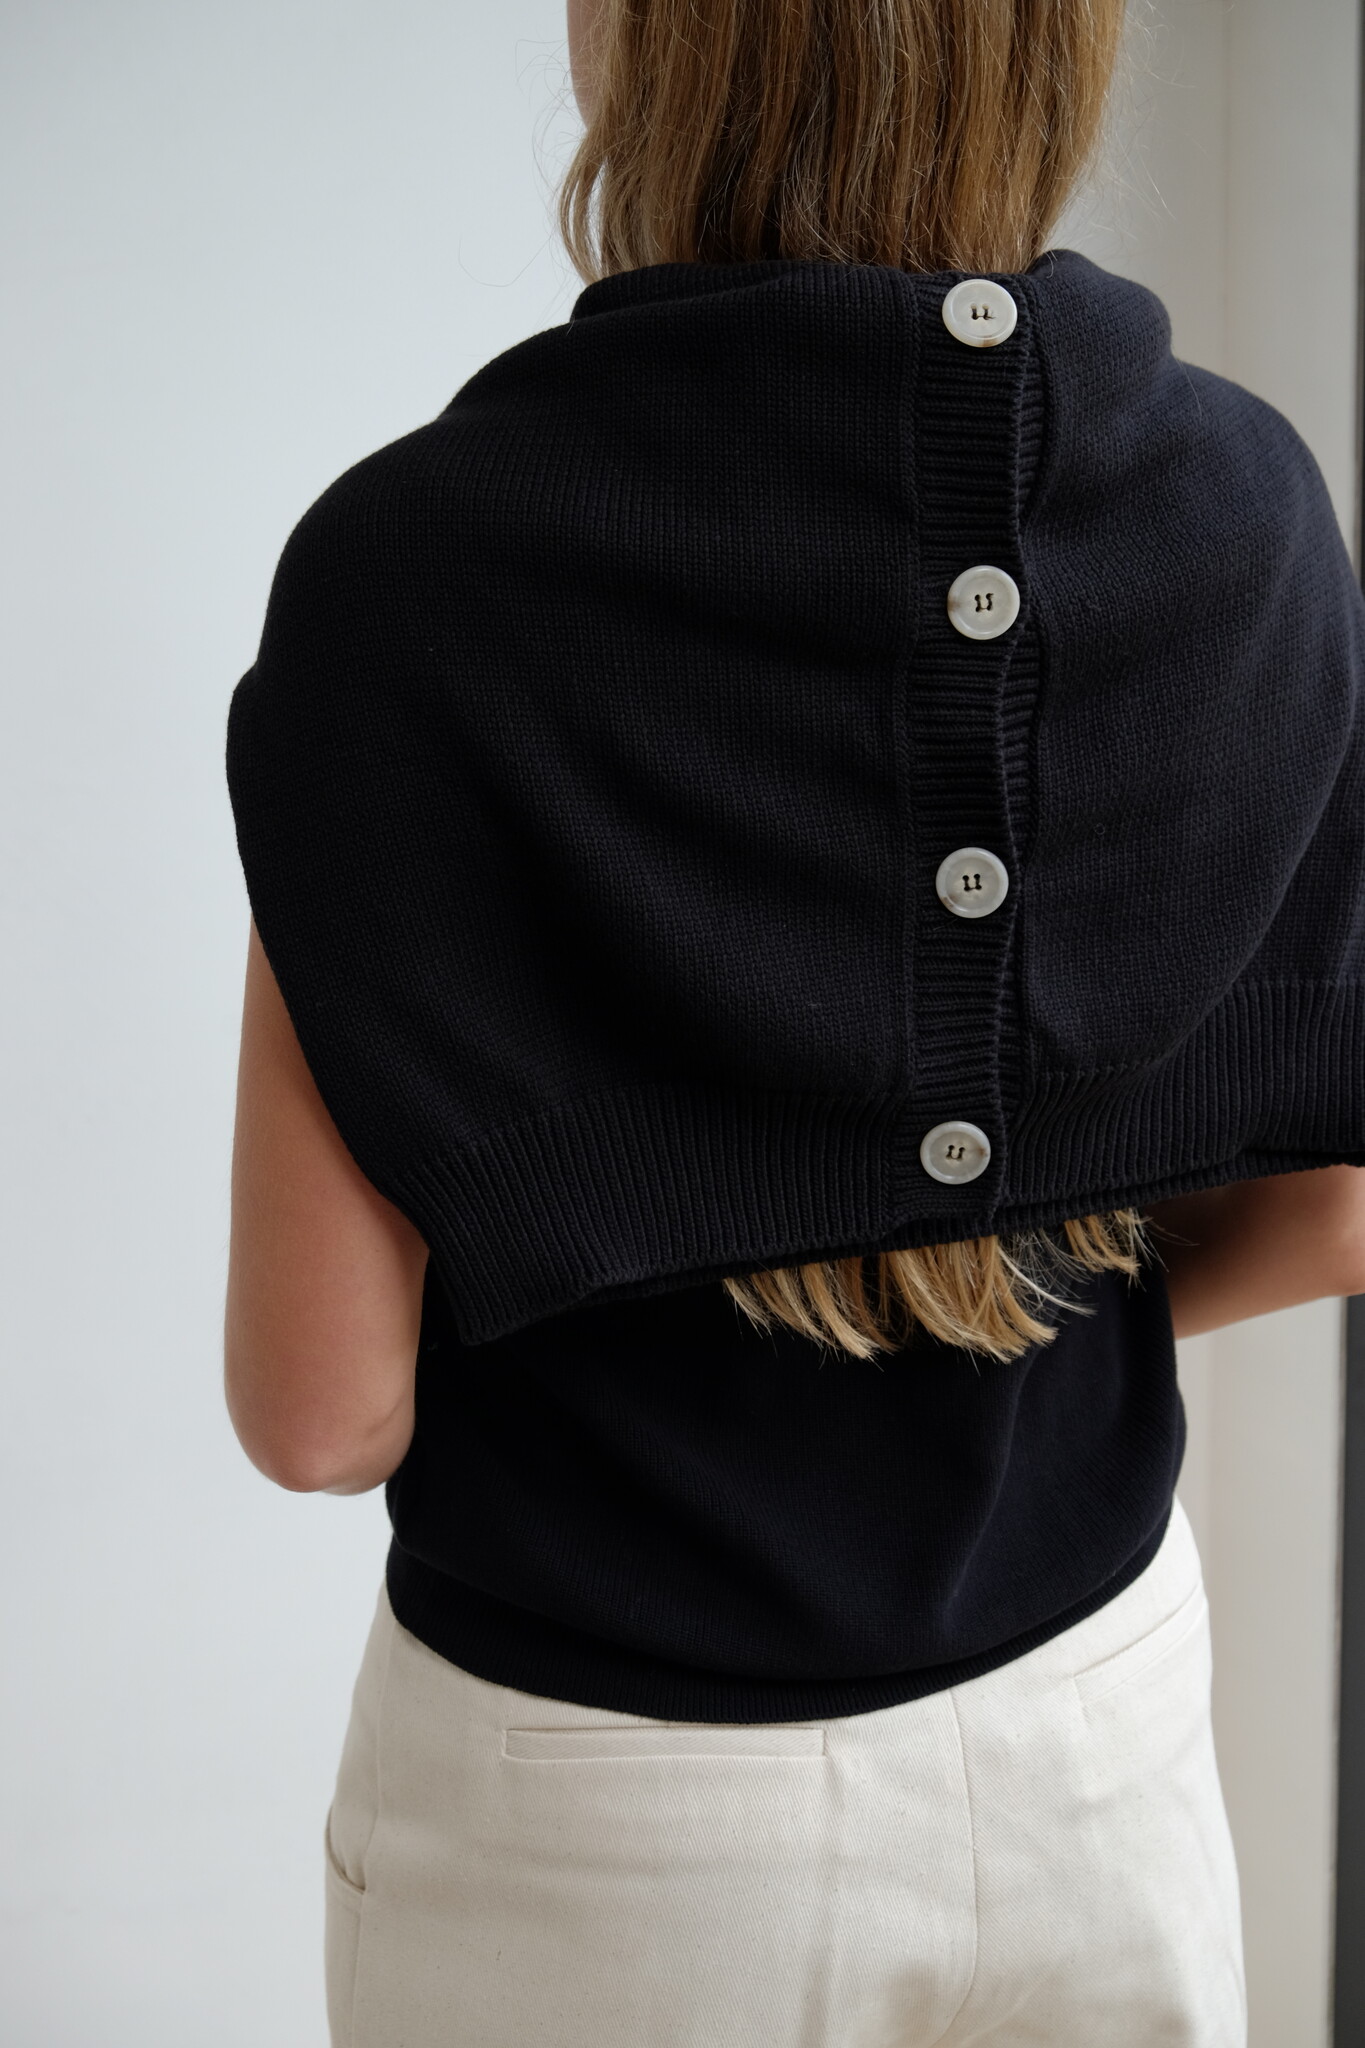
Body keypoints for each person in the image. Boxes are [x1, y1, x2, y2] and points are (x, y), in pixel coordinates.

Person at [223, 1, 1365, 2042]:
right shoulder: (1252, 512)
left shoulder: (406, 584)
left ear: (645, 51)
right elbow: (1334, 1209)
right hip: (1094, 1739)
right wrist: (974, 1290)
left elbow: (322, 1411)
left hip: (603, 1809)